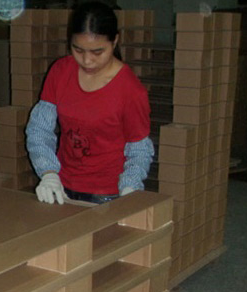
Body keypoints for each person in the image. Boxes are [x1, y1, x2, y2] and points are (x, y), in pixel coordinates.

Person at [26, 1, 153, 204]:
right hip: (62, 187)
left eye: (97, 52)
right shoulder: (61, 71)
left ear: (115, 41)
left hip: (107, 194)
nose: (86, 60)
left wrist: (130, 187)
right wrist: (48, 173)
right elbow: (39, 129)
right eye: (78, 50)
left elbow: (139, 150)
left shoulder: (130, 90)